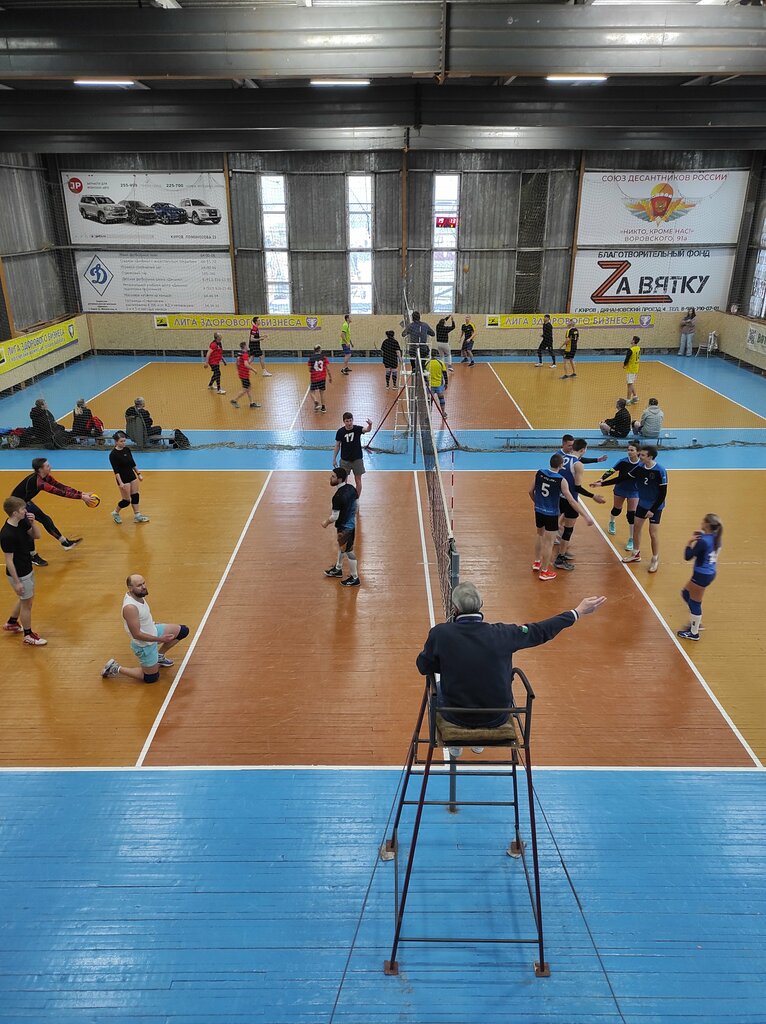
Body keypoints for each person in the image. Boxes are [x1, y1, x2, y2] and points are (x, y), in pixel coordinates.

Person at [416, 581, 606, 754]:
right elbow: (540, 631)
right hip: (496, 716)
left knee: (438, 687)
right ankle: (478, 743)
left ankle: (455, 744)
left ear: (455, 608)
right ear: (481, 605)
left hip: (456, 716)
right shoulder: (504, 633)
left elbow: (423, 666)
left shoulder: (440, 634)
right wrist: (577, 612)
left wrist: (450, 662)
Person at [101, 574, 189, 683]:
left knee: (183, 631)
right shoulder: (130, 608)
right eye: (139, 585)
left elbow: (143, 617)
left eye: (144, 583)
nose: (143, 587)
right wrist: (161, 639)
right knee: (151, 678)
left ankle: (159, 657)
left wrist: (155, 624)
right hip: (144, 644)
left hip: (153, 631)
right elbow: (137, 634)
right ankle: (115, 668)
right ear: (130, 588)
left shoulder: (139, 596)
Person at [11, 458, 93, 566]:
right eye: (47, 466)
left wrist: (81, 493)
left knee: (45, 519)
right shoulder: (39, 482)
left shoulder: (46, 477)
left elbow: (61, 486)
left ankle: (65, 543)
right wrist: (81, 497)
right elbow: (59, 492)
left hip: (25, 502)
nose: (51, 467)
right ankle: (32, 556)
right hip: (16, 507)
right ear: (40, 469)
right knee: (29, 530)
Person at [530, 453, 593, 582]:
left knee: (539, 535)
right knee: (549, 543)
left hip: (539, 511)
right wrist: (585, 515)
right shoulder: (561, 480)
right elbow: (571, 501)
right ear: (561, 465)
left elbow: (530, 491)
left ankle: (536, 562)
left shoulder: (540, 473)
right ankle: (544, 571)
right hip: (551, 513)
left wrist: (537, 503)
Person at [604, 444, 667, 573]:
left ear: (650, 457)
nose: (640, 456)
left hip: (655, 507)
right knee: (637, 528)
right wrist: (602, 483)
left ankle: (655, 559)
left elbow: (663, 493)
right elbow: (623, 478)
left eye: (643, 455)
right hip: (642, 503)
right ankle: (636, 554)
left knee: (653, 533)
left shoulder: (660, 470)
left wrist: (653, 510)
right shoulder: (640, 467)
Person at [554, 438, 606, 571]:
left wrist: (597, 460)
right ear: (583, 450)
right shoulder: (578, 465)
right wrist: (593, 496)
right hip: (570, 499)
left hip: (559, 497)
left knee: (559, 523)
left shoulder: (563, 458)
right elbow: (577, 488)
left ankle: (561, 549)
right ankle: (560, 558)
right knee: (568, 530)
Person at [1, 496, 46, 646]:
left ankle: (12, 622)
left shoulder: (22, 522)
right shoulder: (7, 534)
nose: (25, 511)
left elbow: (37, 536)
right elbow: (9, 560)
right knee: (27, 604)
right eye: (22, 509)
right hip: (19, 573)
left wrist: (33, 523)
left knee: (26, 599)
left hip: (27, 567)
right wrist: (17, 582)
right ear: (15, 513)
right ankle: (28, 635)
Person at [678, 513, 722, 642]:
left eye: (703, 521)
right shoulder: (716, 538)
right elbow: (706, 545)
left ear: (707, 524)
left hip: (701, 575)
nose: (701, 522)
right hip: (709, 572)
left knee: (694, 603)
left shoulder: (702, 542)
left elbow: (688, 556)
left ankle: (694, 632)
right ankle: (696, 620)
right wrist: (702, 535)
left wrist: (689, 542)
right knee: (686, 593)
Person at [596, 441, 641, 550]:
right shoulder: (623, 461)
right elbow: (612, 470)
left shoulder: (641, 464)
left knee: (631, 515)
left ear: (638, 452)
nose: (629, 452)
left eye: (632, 450)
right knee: (617, 510)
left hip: (634, 491)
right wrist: (602, 478)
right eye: (628, 450)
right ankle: (612, 521)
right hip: (621, 489)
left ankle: (631, 539)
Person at [321, 466, 360, 587]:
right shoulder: (351, 488)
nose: (330, 478)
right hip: (351, 524)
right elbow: (357, 506)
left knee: (349, 551)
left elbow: (335, 516)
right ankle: (338, 569)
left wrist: (326, 522)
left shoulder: (337, 497)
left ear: (339, 479)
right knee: (342, 547)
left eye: (333, 476)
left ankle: (355, 577)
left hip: (344, 527)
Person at [109, 431, 149, 525]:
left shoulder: (127, 449)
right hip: (123, 478)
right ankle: (115, 512)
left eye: (124, 441)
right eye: (121, 441)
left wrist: (138, 474)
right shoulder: (113, 454)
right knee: (126, 501)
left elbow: (132, 463)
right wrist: (121, 483)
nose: (124, 443)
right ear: (116, 442)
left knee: (135, 495)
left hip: (131, 475)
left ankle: (137, 515)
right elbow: (116, 471)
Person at [333, 412, 372, 498]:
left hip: (357, 459)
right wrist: (334, 459)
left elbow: (367, 430)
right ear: (344, 422)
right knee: (343, 481)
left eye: (350, 420)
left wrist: (370, 425)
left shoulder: (357, 429)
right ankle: (344, 499)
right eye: (347, 421)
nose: (349, 423)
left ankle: (356, 499)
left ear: (352, 420)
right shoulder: (340, 432)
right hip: (345, 460)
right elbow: (337, 445)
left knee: (358, 480)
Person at [230, 342, 262, 410]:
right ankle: (234, 400)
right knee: (245, 389)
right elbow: (246, 364)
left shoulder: (239, 354)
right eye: (247, 346)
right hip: (244, 374)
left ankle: (252, 403)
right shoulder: (245, 354)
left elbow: (238, 363)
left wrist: (251, 359)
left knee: (249, 388)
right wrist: (253, 369)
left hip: (241, 373)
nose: (248, 347)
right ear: (244, 346)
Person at [424, 352, 449, 419]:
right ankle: (443, 413)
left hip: (430, 385)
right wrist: (446, 383)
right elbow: (445, 374)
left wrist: (426, 381)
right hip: (439, 385)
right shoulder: (440, 363)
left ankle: (428, 415)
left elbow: (424, 374)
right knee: (441, 399)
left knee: (430, 401)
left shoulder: (427, 363)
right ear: (436, 355)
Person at [308, 345, 332, 413]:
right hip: (322, 378)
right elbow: (328, 369)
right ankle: (323, 408)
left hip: (314, 378)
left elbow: (309, 369)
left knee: (312, 392)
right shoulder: (324, 358)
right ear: (320, 350)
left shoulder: (311, 358)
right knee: (322, 393)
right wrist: (330, 377)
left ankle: (315, 401)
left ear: (314, 350)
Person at [623, 336, 641, 405]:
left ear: (633, 341)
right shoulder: (638, 348)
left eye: (632, 339)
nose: (631, 340)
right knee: (631, 383)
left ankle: (628, 400)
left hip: (631, 369)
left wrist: (624, 364)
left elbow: (627, 358)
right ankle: (635, 397)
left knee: (629, 385)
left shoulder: (631, 349)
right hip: (636, 368)